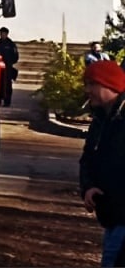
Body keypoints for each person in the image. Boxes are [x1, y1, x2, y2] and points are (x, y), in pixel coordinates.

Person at [79, 59, 125, 266]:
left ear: (109, 85)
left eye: (91, 84)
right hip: (112, 216)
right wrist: (88, 187)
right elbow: (88, 158)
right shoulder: (100, 120)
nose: (87, 90)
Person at [0, 27, 19, 107]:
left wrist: (10, 63)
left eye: (2, 33)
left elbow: (16, 56)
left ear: (6, 34)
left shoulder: (11, 44)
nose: (1, 34)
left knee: (8, 85)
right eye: (0, 33)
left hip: (8, 67)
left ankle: (7, 101)